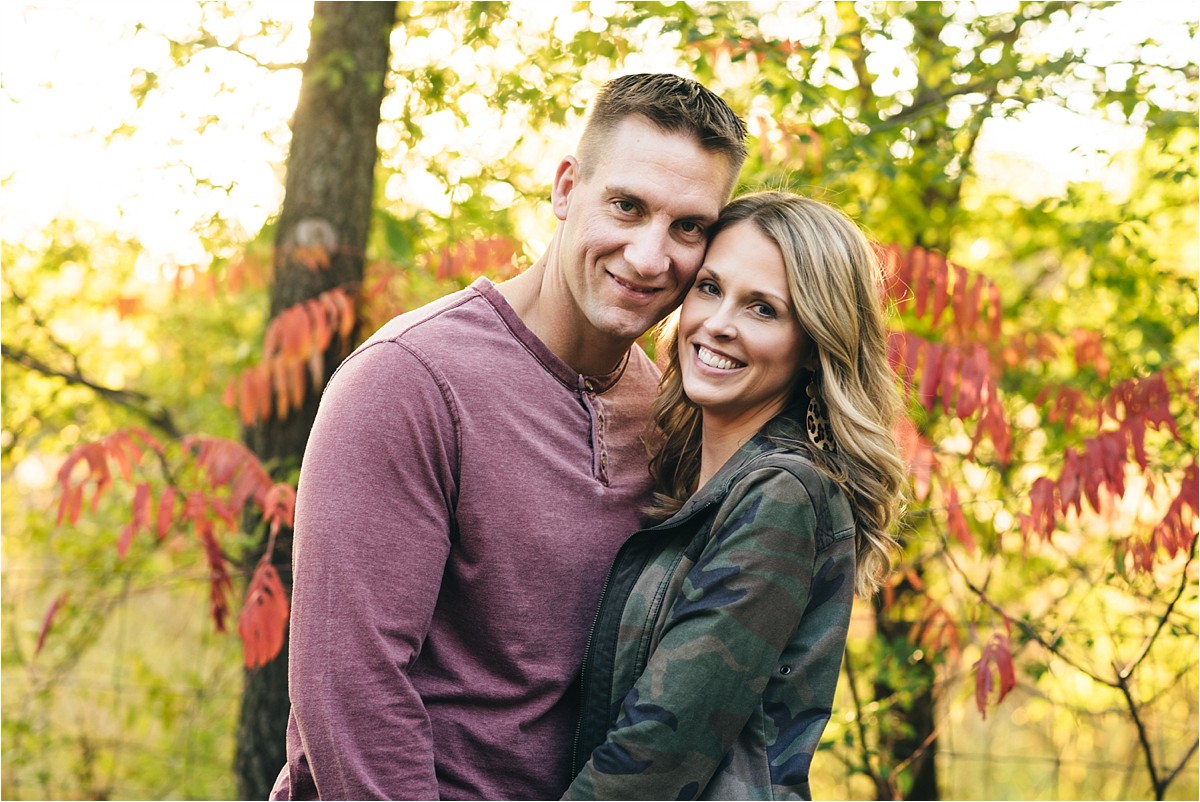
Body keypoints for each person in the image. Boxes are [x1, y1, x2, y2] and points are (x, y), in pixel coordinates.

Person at [269, 73, 748, 800]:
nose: (651, 258)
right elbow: (350, 691)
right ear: (564, 189)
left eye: (689, 228)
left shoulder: (665, 410)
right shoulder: (409, 381)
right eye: (627, 205)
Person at [564, 190, 907, 801]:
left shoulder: (784, 492)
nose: (718, 324)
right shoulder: (694, 477)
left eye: (763, 309)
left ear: (814, 347)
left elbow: (657, 753)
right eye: (710, 288)